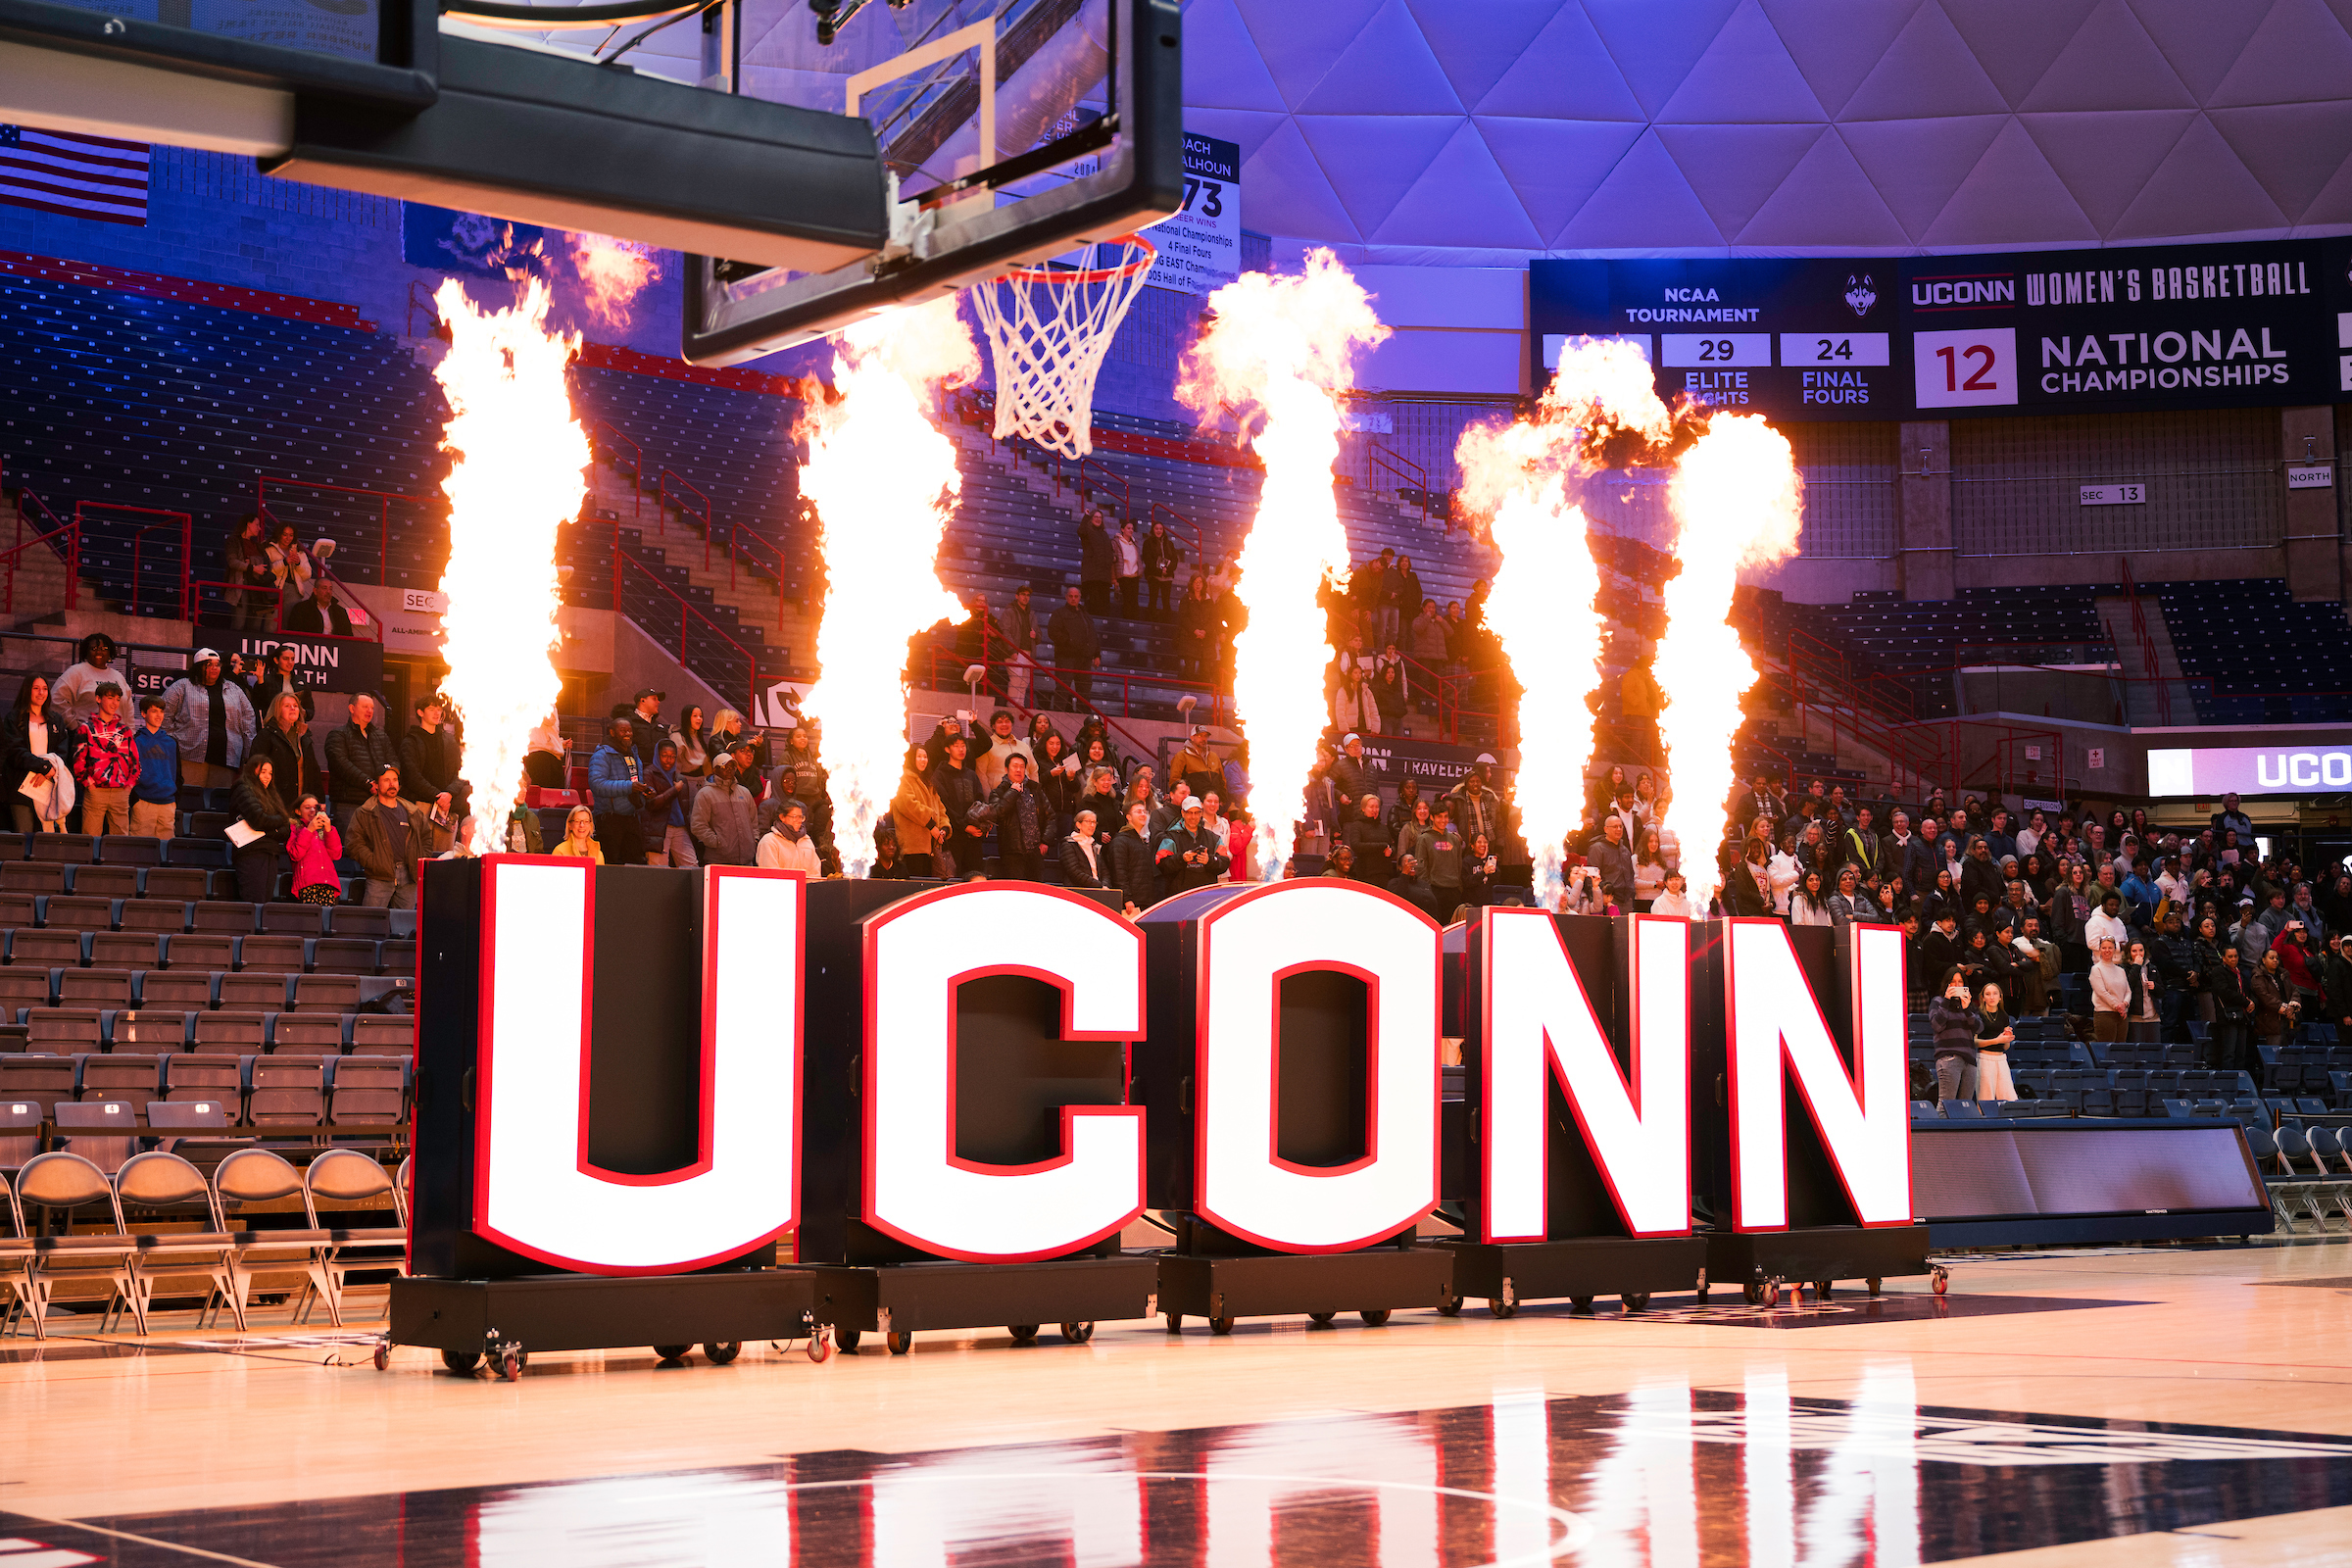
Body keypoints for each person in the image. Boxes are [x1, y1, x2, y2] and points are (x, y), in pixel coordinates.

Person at [163, 649, 257, 793]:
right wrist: (173, 744)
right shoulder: (182, 686)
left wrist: (247, 755)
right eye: (209, 665)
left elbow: (248, 721)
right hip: (189, 757)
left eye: (217, 665)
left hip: (226, 759)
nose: (214, 668)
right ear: (198, 667)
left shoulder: (233, 689)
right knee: (189, 798)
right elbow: (164, 715)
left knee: (219, 802)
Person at [68, 681, 138, 837]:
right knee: (91, 838)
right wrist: (88, 783)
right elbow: (78, 760)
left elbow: (135, 761)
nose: (115, 703)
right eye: (110, 698)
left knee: (120, 842)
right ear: (98, 699)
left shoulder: (124, 730)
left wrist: (129, 785)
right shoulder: (86, 728)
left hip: (120, 792)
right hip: (96, 792)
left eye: (118, 699)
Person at [322, 691, 396, 831]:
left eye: (372, 708)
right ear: (352, 708)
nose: (370, 711)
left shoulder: (381, 736)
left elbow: (393, 760)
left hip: (378, 803)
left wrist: (387, 781)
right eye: (365, 707)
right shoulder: (338, 735)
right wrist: (368, 782)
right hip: (349, 804)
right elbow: (341, 765)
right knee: (350, 843)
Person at [974, 752, 1049, 881]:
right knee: (1016, 889)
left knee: (1037, 889)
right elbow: (997, 813)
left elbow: (1050, 816)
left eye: (1022, 767)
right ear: (1006, 769)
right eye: (1015, 766)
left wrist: (1046, 840)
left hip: (1036, 851)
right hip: (1012, 852)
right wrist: (1012, 792)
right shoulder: (998, 792)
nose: (1018, 770)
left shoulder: (1035, 789)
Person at [251, 689, 322, 823]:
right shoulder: (266, 736)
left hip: (303, 807)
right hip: (275, 805)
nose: (293, 708)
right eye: (287, 706)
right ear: (277, 710)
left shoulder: (304, 737)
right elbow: (254, 772)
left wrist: (320, 804)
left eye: (295, 706)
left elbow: (314, 773)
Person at [227, 756, 289, 904]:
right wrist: (281, 819)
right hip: (251, 852)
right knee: (254, 901)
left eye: (270, 773)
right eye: (263, 772)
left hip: (271, 852)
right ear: (252, 771)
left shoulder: (271, 793)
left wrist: (267, 831)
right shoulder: (243, 788)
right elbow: (259, 819)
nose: (267, 776)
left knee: (265, 903)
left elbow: (286, 829)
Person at [586, 717, 648, 866]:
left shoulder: (633, 754)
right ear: (612, 732)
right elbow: (597, 784)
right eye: (623, 730)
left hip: (632, 817)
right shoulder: (602, 754)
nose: (627, 733)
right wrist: (629, 787)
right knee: (610, 865)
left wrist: (645, 791)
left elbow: (635, 782)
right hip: (609, 819)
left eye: (629, 730)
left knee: (635, 865)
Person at [399, 694, 466, 823]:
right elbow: (412, 776)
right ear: (420, 712)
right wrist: (437, 796)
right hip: (419, 806)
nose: (437, 713)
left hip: (447, 807)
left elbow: (461, 771)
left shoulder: (449, 740)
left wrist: (449, 794)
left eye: (439, 709)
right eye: (431, 709)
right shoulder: (410, 742)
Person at [123, 696, 179, 839]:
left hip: (168, 804)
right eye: (154, 711)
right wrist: (136, 799)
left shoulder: (171, 743)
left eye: (161, 711)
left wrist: (173, 799)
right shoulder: (136, 741)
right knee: (141, 847)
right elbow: (129, 772)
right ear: (143, 714)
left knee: (167, 848)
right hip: (143, 802)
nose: (159, 715)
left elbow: (178, 774)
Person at [891, 743, 949, 879]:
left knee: (930, 885)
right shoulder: (903, 778)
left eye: (925, 757)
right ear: (911, 758)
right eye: (919, 756)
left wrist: (944, 828)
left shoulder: (929, 781)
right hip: (913, 846)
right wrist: (931, 825)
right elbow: (908, 805)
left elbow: (940, 808)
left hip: (931, 846)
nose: (923, 760)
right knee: (915, 882)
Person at [690, 755, 758, 866]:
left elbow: (754, 822)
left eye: (732, 766)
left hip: (746, 861)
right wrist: (717, 842)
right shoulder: (705, 794)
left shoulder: (745, 792)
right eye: (725, 766)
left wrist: (753, 840)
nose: (729, 769)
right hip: (719, 860)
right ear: (715, 769)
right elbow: (698, 825)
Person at [1155, 797, 1228, 898]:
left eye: (1196, 813)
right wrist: (1181, 859)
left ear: (1201, 813)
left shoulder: (1213, 838)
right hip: (1179, 897)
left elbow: (1225, 862)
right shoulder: (1171, 837)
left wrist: (1209, 860)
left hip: (1207, 896)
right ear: (1183, 813)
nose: (1193, 817)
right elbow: (1161, 864)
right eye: (1189, 812)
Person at [936, 733, 986, 879]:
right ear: (947, 749)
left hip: (974, 837)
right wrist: (964, 826)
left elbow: (980, 800)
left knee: (976, 877)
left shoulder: (971, 774)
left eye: (963, 746)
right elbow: (944, 805)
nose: (961, 749)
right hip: (953, 837)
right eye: (956, 746)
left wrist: (982, 824)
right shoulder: (940, 775)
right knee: (954, 878)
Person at [1929, 972, 1982, 1104]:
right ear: (1947, 984)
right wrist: (1947, 1000)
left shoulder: (1969, 1004)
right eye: (1953, 981)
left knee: (1965, 1105)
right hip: (1949, 1057)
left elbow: (1979, 1028)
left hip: (1969, 1059)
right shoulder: (1938, 1001)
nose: (1956, 985)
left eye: (1960, 981)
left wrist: (1967, 1009)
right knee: (1946, 1104)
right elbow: (1937, 1025)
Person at [641, 740, 695, 867]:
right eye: (664, 755)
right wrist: (674, 790)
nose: (668, 760)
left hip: (680, 827)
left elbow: (685, 808)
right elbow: (651, 804)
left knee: (692, 866)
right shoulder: (649, 773)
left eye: (672, 757)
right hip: (658, 829)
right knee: (659, 870)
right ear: (657, 755)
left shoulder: (680, 778)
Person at [1047, 584, 1101, 711]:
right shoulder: (1059, 613)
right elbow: (1053, 632)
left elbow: (1093, 635)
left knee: (1085, 690)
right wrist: (1069, 641)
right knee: (1063, 688)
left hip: (1084, 658)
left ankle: (1084, 717)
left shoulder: (1085, 615)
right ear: (1066, 597)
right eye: (1071, 596)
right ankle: (1058, 715)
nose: (1073, 598)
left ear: (1079, 597)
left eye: (1076, 596)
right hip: (1066, 657)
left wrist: (1097, 654)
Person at [51, 632, 122, 727]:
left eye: (104, 648)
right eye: (94, 648)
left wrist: (130, 732)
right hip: (85, 733)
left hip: (116, 734)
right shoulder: (75, 672)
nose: (99, 652)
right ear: (86, 651)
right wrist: (74, 726)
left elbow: (128, 710)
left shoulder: (118, 676)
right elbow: (56, 700)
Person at [286, 793, 342, 904]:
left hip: (328, 883)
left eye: (315, 807)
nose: (312, 810)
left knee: (327, 914)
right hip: (307, 883)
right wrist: (309, 830)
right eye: (307, 808)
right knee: (311, 914)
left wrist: (329, 830)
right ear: (298, 811)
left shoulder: (327, 829)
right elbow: (295, 854)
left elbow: (336, 854)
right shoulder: (293, 828)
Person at [242, 641, 314, 726]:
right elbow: (259, 705)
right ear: (276, 660)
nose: (290, 662)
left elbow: (310, 710)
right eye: (285, 659)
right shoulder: (266, 680)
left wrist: (302, 713)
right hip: (273, 727)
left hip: (296, 728)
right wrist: (260, 680)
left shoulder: (301, 681)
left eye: (292, 659)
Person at [225, 512, 273, 633]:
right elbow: (232, 562)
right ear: (248, 524)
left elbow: (268, 564)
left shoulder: (257, 545)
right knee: (239, 624)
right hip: (241, 587)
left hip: (258, 589)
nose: (259, 528)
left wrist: (251, 562)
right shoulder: (234, 541)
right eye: (257, 525)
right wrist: (252, 567)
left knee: (255, 627)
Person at [1109, 800, 1157, 913]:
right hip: (1132, 904)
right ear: (1128, 817)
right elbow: (1119, 872)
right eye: (1138, 811)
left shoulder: (1140, 841)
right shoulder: (1120, 841)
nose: (1143, 814)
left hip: (1145, 900)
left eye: (1144, 811)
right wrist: (1127, 898)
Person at [2250, 946, 2301, 1053]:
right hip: (2269, 1021)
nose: (2275, 960)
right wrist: (2282, 1007)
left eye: (2277, 958)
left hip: (2287, 1019)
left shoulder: (2283, 974)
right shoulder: (2258, 976)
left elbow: (2294, 990)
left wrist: (2293, 1005)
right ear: (2263, 960)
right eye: (2271, 958)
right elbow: (2264, 996)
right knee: (2273, 1054)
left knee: (2287, 1054)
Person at [1974, 981, 2017, 1102]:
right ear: (1983, 998)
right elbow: (1974, 1042)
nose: (1992, 997)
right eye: (1988, 994)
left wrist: (2007, 1038)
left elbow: (2005, 1047)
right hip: (1984, 1058)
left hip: (2001, 1058)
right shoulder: (1978, 1015)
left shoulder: (2004, 1016)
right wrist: (1996, 1040)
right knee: (1986, 1099)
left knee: (2009, 1098)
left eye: (1995, 993)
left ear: (2000, 997)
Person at [756, 799, 822, 873]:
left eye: (801, 817)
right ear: (782, 817)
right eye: (794, 817)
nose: (799, 821)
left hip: (807, 881)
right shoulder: (769, 841)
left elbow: (815, 872)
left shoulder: (807, 841)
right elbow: (770, 873)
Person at [975, 710, 1033, 795]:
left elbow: (1033, 771)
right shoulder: (986, 746)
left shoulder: (1024, 746)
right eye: (999, 722)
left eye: (1007, 721)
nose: (1004, 724)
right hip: (999, 797)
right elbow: (981, 774)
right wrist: (988, 798)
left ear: (1012, 724)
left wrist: (1036, 795)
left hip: (1024, 796)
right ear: (993, 726)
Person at [1341, 793, 1393, 886]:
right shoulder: (1357, 825)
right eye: (1371, 807)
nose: (1374, 810)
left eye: (1377, 807)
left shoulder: (1383, 827)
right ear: (1363, 808)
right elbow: (1356, 845)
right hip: (1366, 872)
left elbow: (1391, 845)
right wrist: (1381, 847)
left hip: (1384, 872)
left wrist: (1391, 851)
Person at [1003, 584, 1039, 710]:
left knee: (1024, 682)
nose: (1025, 597)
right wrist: (1012, 650)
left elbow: (1039, 635)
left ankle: (1020, 706)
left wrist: (1035, 635)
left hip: (1028, 652)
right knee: (1016, 680)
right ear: (1017, 596)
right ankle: (1012, 707)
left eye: (1028, 595)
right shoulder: (1009, 611)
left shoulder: (1032, 614)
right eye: (1023, 594)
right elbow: (1005, 632)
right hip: (1015, 651)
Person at [1589, 814, 1636, 910]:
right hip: (1607, 901)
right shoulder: (1597, 848)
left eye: (1620, 826)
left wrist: (1631, 893)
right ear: (1606, 829)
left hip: (1627, 900)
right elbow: (1591, 878)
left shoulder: (1625, 850)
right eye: (1615, 826)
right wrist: (1601, 898)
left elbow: (1631, 874)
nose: (1618, 829)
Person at [265, 521, 315, 608]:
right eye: (285, 535)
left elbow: (307, 575)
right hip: (274, 589)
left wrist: (298, 564)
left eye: (291, 535)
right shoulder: (269, 549)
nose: (288, 538)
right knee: (273, 616)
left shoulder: (299, 552)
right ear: (279, 534)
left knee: (291, 616)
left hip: (294, 590)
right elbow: (267, 572)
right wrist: (284, 562)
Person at [2089, 938, 2131, 1043]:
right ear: (2099, 950)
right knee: (2107, 1049)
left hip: (2122, 1015)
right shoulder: (2096, 969)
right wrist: (2117, 1006)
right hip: (2104, 1014)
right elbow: (2101, 992)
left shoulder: (2121, 970)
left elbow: (2128, 991)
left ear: (2114, 949)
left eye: (2110, 948)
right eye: (2104, 948)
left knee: (2121, 1048)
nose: (2107, 950)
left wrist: (2124, 1004)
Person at [2124, 939, 2164, 1044]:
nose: (2138, 953)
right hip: (2135, 1016)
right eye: (2134, 951)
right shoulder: (2124, 968)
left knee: (2154, 1048)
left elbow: (2162, 992)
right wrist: (2136, 966)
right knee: (2137, 1048)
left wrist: (2155, 986)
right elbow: (2127, 986)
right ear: (2129, 953)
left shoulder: (2152, 967)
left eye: (2141, 950)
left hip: (2153, 1016)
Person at [1077, 509, 1116, 613]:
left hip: (1104, 577)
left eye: (1100, 517)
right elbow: (1080, 531)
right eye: (1095, 517)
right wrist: (1086, 516)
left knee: (1104, 607)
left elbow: (1109, 551)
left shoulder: (1105, 534)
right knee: (1093, 606)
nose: (1098, 519)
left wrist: (1113, 557)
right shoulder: (1087, 531)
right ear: (1091, 518)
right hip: (1092, 576)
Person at [283, 577, 353, 636]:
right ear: (315, 591)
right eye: (324, 588)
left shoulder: (340, 612)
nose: (328, 592)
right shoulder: (301, 609)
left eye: (330, 589)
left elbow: (348, 636)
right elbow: (294, 633)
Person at [1059, 809, 1107, 889]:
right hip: (1078, 890)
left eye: (1094, 822)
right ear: (1078, 825)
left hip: (1098, 890)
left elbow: (1104, 871)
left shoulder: (1095, 845)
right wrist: (1099, 885)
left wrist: (1105, 885)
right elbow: (1074, 872)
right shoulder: (1069, 844)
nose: (1092, 825)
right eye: (1088, 821)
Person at [1143, 519, 1181, 618]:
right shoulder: (1147, 543)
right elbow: (1148, 560)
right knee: (1153, 600)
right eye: (1156, 529)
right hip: (1154, 576)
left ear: (1163, 530)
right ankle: (1151, 621)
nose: (1159, 531)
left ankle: (1166, 621)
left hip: (1167, 577)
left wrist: (1167, 570)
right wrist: (1160, 571)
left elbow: (1175, 560)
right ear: (1153, 530)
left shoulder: (1170, 544)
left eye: (1160, 529)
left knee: (1166, 602)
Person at [670, 705, 711, 777]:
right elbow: (676, 765)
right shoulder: (677, 737)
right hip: (686, 778)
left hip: (704, 778)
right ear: (687, 718)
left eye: (700, 716)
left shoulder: (697, 736)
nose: (699, 719)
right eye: (695, 716)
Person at [1114, 519, 1143, 615]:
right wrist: (1114, 578)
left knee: (1134, 601)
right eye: (1128, 528)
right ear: (1122, 529)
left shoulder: (1135, 543)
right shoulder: (1116, 542)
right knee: (1127, 600)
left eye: (1132, 529)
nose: (1131, 530)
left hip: (1134, 576)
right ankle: (1127, 620)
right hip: (1124, 575)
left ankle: (1134, 621)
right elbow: (1114, 560)